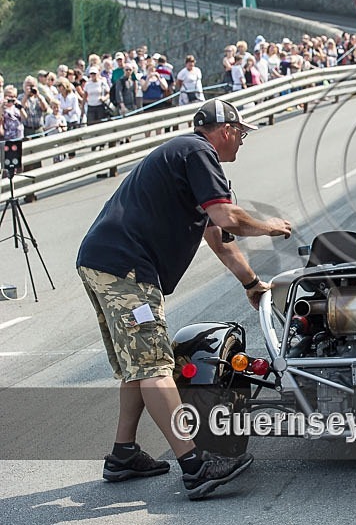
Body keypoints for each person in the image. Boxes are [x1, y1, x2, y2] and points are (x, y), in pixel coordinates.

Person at [76, 98, 292, 500]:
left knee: (137, 366)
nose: (241, 142)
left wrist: (252, 284)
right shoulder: (198, 151)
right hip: (124, 268)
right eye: (241, 133)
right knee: (156, 366)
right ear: (225, 130)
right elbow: (229, 219)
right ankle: (195, 466)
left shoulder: (194, 164)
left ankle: (123, 454)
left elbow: (219, 239)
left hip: (106, 262)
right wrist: (270, 227)